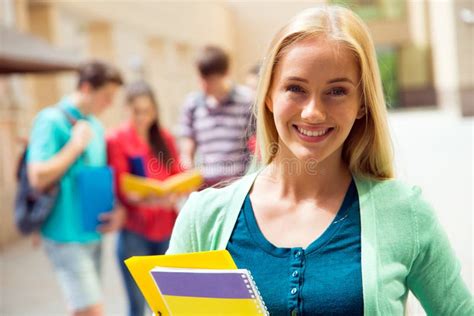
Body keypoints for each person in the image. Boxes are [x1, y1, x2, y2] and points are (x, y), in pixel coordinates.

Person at [167, 6, 473, 315]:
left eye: (337, 91)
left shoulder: (405, 214)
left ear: (362, 104)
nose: (313, 112)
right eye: (296, 88)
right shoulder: (203, 218)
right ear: (269, 95)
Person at [27, 60, 124, 316]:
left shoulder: (95, 125)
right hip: (63, 235)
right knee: (92, 311)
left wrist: (115, 211)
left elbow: (97, 176)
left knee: (82, 310)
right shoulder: (50, 120)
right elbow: (37, 176)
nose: (110, 103)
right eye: (106, 96)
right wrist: (75, 146)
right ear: (86, 87)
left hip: (93, 233)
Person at [107, 81, 184, 316]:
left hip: (168, 229)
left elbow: (177, 174)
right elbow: (121, 186)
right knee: (137, 305)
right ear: (126, 109)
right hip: (135, 232)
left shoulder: (164, 137)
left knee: (169, 304)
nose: (143, 117)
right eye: (137, 111)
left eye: (148, 111)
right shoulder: (116, 140)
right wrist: (150, 197)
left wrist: (175, 190)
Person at [179, 45, 254, 188]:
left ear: (225, 74)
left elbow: (258, 142)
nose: (205, 85)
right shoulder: (193, 104)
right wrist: (187, 165)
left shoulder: (246, 100)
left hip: (238, 185)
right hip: (205, 186)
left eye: (210, 80)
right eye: (202, 78)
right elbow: (186, 148)